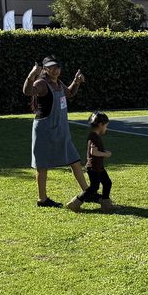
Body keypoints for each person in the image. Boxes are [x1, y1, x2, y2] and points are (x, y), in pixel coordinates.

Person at [23, 56, 87, 207]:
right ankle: (42, 199)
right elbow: (27, 91)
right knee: (42, 165)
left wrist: (76, 82)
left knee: (74, 160)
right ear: (45, 69)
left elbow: (69, 93)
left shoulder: (58, 83)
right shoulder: (42, 83)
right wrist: (31, 75)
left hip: (61, 129)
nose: (55, 70)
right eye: (51, 67)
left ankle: (87, 191)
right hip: (44, 130)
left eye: (57, 67)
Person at [67, 112, 115, 212]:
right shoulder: (94, 137)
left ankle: (106, 203)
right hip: (93, 167)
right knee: (94, 187)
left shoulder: (94, 136)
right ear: (101, 125)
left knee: (107, 183)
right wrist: (106, 154)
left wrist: (104, 152)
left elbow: (95, 150)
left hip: (98, 166)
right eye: (106, 126)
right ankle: (75, 203)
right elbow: (94, 152)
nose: (106, 128)